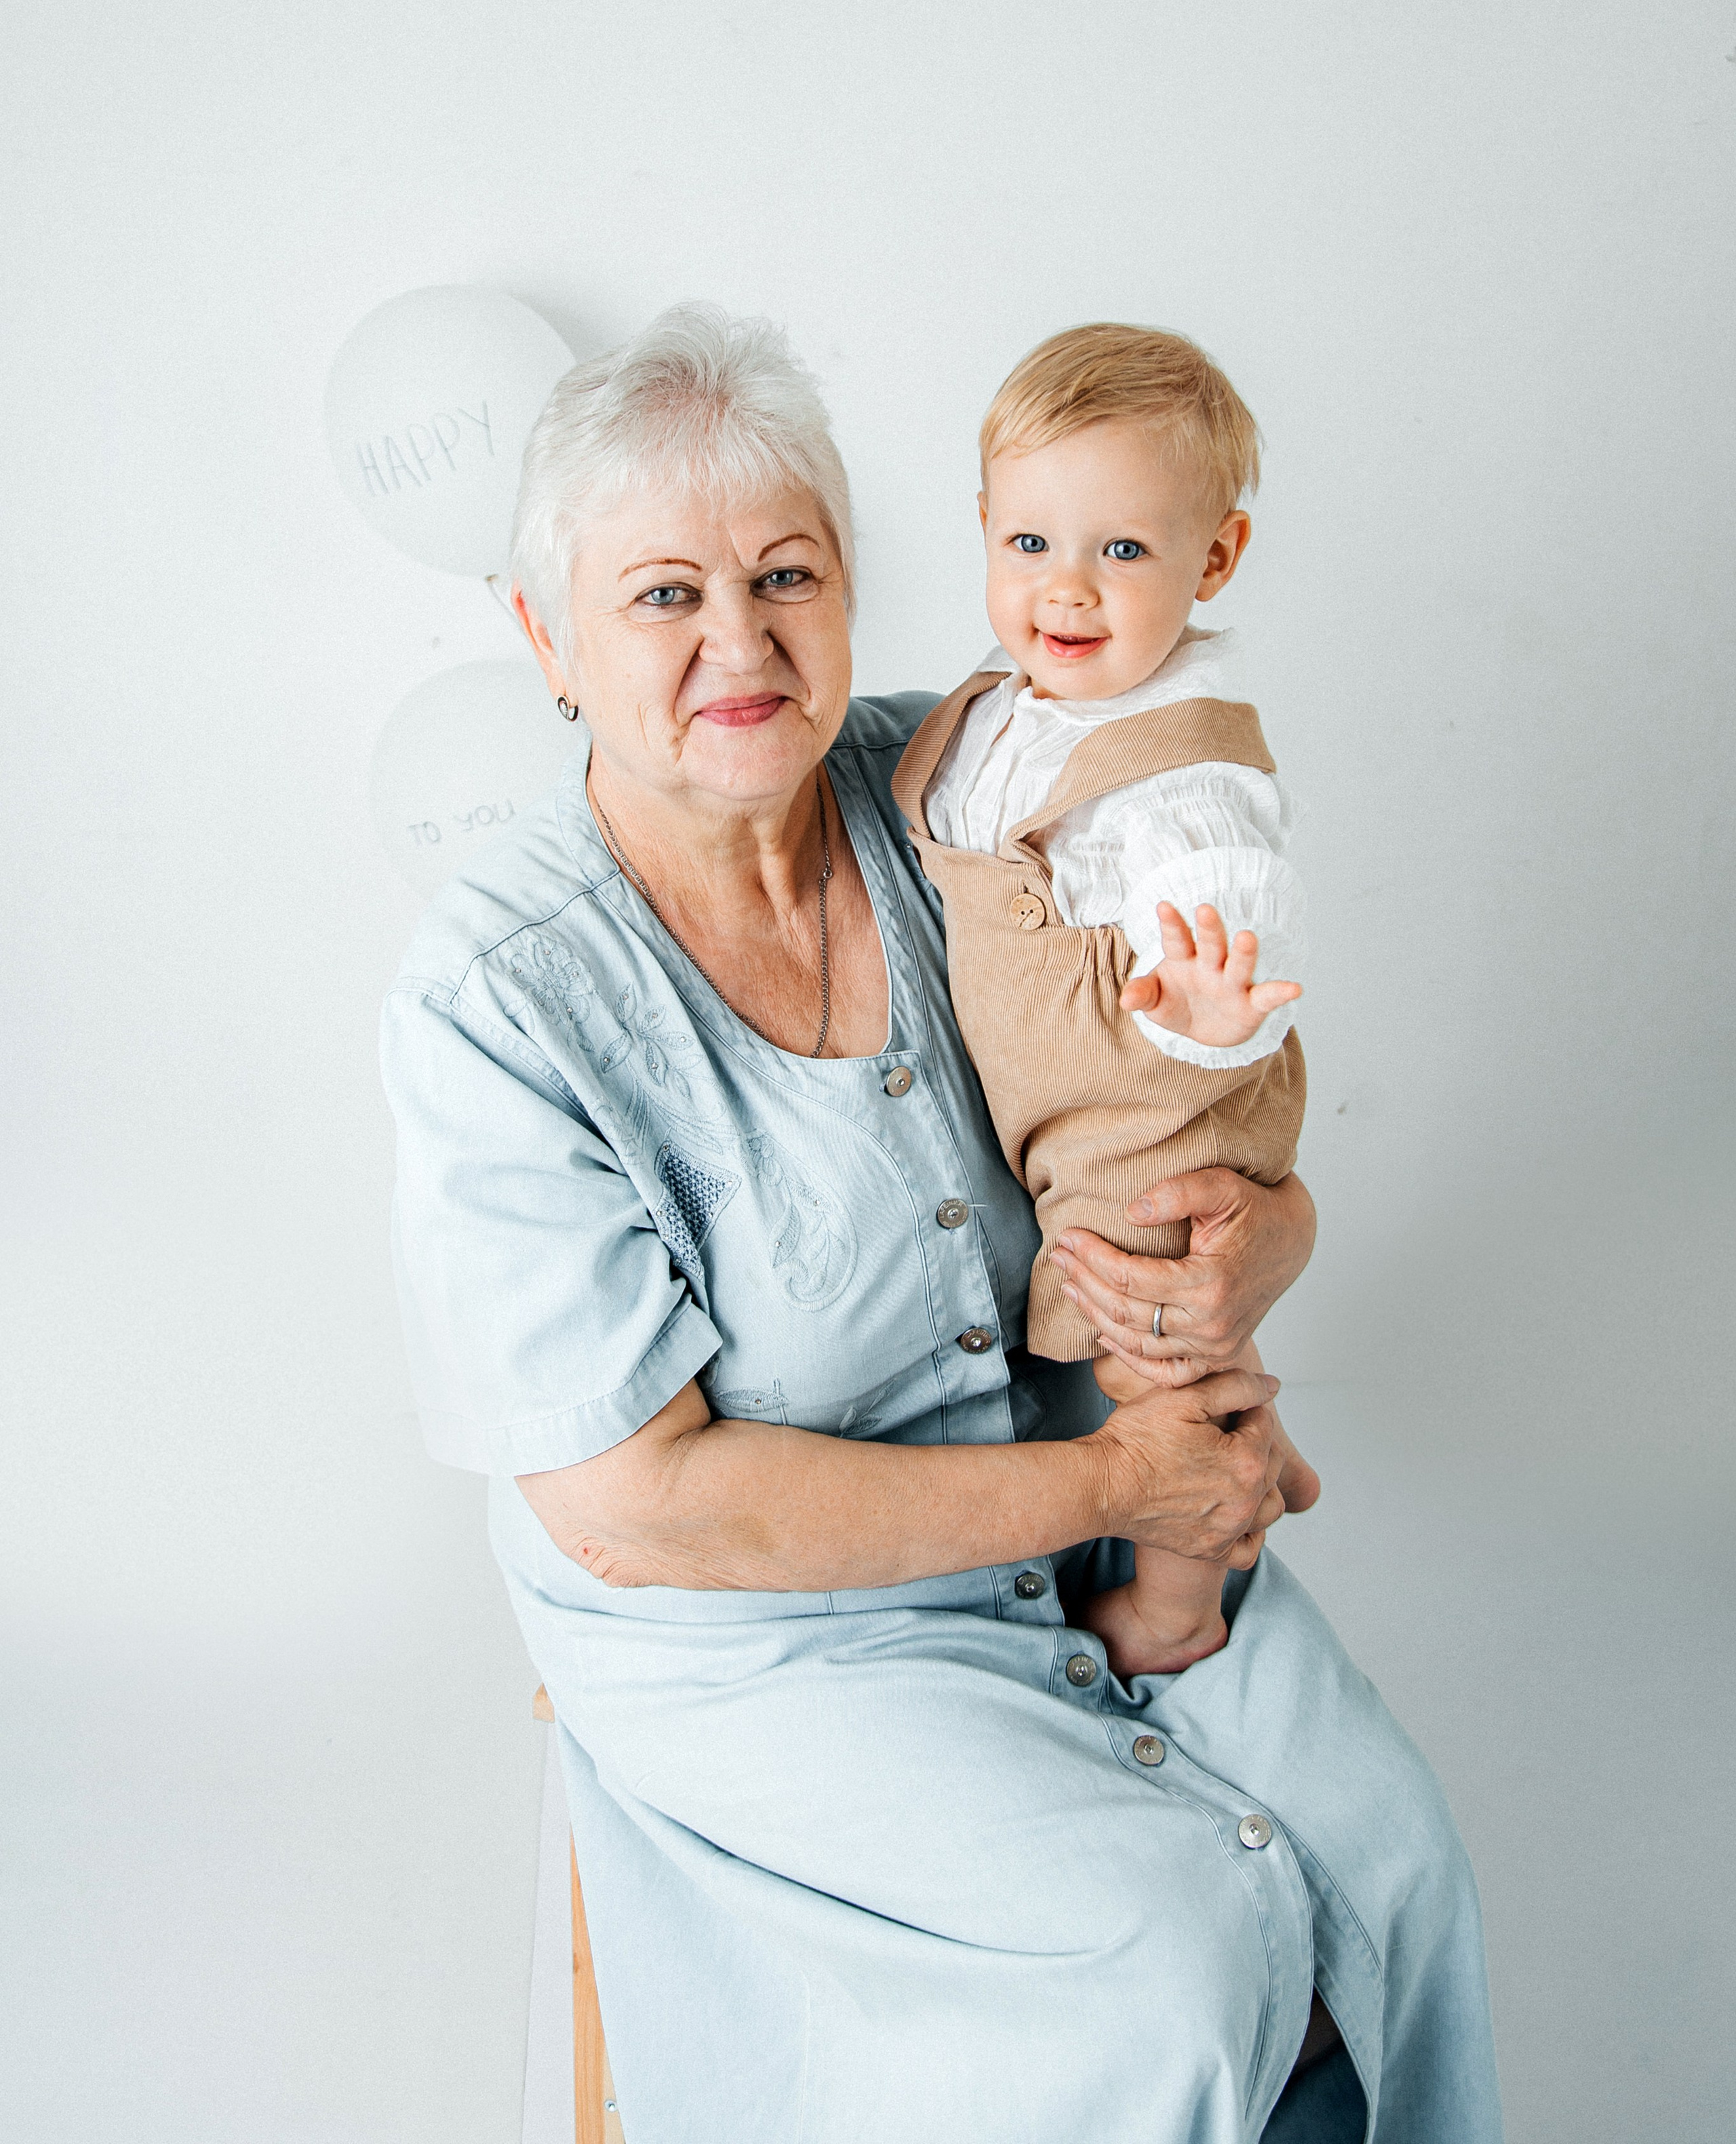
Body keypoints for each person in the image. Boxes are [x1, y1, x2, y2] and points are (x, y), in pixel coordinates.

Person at [380, 303, 1501, 2143]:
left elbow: (1187, 1124)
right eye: (662, 595)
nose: (739, 640)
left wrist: (1257, 1242)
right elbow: (640, 1506)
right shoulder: (497, 1000)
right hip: (772, 1634)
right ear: (546, 639)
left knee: (1387, 1858)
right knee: (1173, 1955)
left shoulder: (968, 793)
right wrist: (1122, 1480)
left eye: (786, 574)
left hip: (1112, 1500)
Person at [896, 323, 1306, 1679]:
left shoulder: (1183, 777)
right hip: (1061, 1101)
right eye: (1030, 543)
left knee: (1148, 1356)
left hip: (1153, 1111)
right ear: (983, 526)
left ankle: (1179, 1606)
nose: (1065, 589)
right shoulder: (1008, 708)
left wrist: (1207, 1013)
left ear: (1213, 560)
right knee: (1167, 1353)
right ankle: (1267, 1453)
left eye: (1122, 550)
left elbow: (1237, 960)